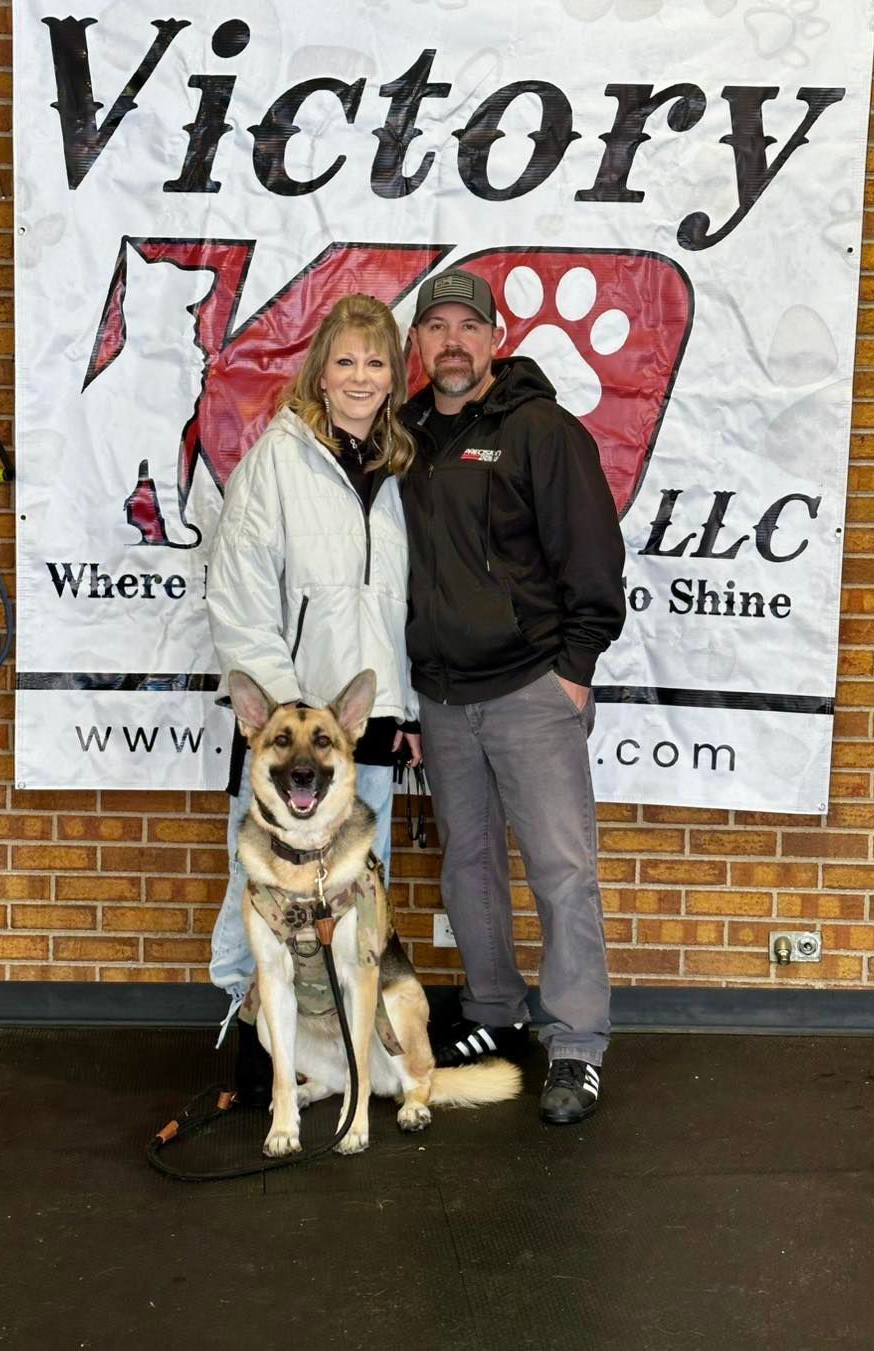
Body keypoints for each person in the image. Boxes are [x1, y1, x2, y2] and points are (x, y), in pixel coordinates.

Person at [399, 269, 626, 1126]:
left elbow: (594, 559)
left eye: (467, 326)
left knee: (564, 873)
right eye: (435, 328)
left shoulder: (542, 430)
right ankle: (494, 1011)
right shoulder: (407, 436)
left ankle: (576, 1045)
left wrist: (573, 668)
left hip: (532, 686)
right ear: (418, 345)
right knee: (469, 868)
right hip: (443, 700)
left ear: (494, 339)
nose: (451, 342)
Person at [206, 293, 422, 1103]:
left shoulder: (402, 471)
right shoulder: (279, 461)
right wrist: (293, 721)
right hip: (295, 736)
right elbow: (238, 596)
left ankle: (341, 1059)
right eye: (346, 361)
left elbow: (399, 604)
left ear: (394, 377)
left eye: (376, 362)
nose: (361, 377)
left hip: (365, 732)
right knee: (260, 891)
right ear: (319, 374)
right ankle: (249, 1035)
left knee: (356, 901)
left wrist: (402, 708)